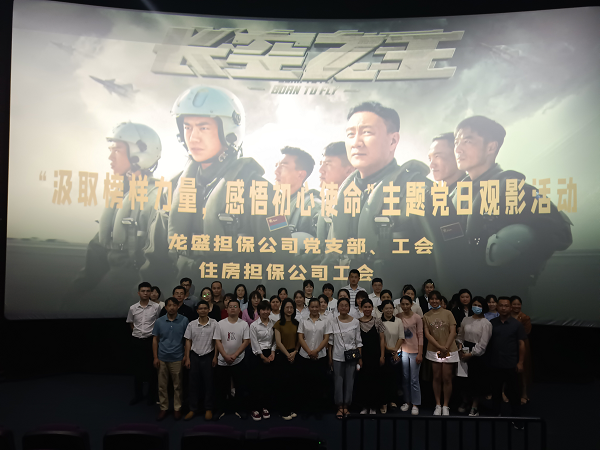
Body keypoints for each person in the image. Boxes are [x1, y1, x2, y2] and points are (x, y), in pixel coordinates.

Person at [159, 85, 291, 283]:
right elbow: (155, 259)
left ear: (229, 132)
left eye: (203, 128)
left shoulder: (260, 191)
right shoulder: (172, 188)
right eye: (187, 127)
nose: (193, 138)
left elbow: (281, 261)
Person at [325, 102, 460, 292]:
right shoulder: (343, 196)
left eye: (367, 132)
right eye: (350, 134)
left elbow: (453, 264)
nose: (356, 142)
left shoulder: (422, 191)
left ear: (393, 141)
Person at [452, 115, 572, 296]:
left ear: (491, 147)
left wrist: (519, 253)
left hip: (503, 296)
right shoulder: (456, 194)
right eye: (456, 142)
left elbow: (562, 231)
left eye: (467, 141)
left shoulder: (513, 189)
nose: (458, 149)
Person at [64, 123, 164, 315]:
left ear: (140, 154)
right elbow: (96, 258)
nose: (110, 157)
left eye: (117, 150)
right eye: (111, 150)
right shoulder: (119, 198)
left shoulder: (156, 198)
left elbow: (158, 266)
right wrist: (71, 299)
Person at [487, 297, 527, 420]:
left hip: (511, 364)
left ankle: (516, 418)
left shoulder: (517, 324)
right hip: (495, 363)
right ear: (497, 307)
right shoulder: (491, 323)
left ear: (510, 308)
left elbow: (521, 344)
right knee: (495, 391)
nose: (503, 308)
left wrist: (520, 362)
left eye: (506, 306)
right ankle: (495, 414)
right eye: (501, 305)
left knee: (514, 393)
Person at [274, 146, 321, 245]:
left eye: (283, 166)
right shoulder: (274, 205)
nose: (276, 171)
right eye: (276, 165)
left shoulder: (313, 207)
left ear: (301, 174)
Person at [152, 297, 189, 421]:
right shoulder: (159, 321)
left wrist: (186, 356)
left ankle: (177, 408)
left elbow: (187, 340)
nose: (172, 307)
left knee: (177, 385)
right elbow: (155, 339)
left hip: (177, 357)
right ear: (166, 307)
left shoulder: (184, 320)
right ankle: (164, 408)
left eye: (174, 305)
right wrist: (155, 357)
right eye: (169, 305)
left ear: (178, 306)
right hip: (162, 357)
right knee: (162, 385)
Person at [214, 298, 250, 420]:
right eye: (231, 307)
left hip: (238, 360)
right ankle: (221, 409)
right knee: (221, 387)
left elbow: (246, 341)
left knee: (240, 386)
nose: (233, 308)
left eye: (235, 307)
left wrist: (235, 355)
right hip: (222, 360)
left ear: (239, 310)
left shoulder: (243, 324)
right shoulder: (220, 323)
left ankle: (239, 409)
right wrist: (224, 355)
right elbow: (217, 341)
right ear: (226, 309)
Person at [423, 290, 458, 416]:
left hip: (449, 349)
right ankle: (438, 404)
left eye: (436, 299)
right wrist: (440, 347)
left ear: (440, 300)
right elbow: (427, 334)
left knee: (447, 377)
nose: (434, 301)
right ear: (429, 301)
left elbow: (453, 331)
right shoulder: (426, 316)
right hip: (434, 350)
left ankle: (446, 405)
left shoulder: (448, 313)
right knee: (436, 377)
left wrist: (446, 347)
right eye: (431, 299)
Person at [456, 296, 492, 417]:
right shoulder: (466, 319)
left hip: (477, 355)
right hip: (464, 350)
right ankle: (465, 401)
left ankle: (474, 406)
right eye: (475, 305)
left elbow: (483, 344)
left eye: (480, 305)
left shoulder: (486, 323)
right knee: (464, 380)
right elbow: (460, 336)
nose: (477, 307)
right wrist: (460, 348)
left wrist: (471, 354)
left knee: (476, 381)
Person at [327, 298, 363, 419]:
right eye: (341, 305)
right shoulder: (333, 321)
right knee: (338, 381)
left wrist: (360, 358)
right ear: (337, 307)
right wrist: (330, 358)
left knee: (350, 381)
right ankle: (339, 406)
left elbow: (358, 341)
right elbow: (330, 342)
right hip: (337, 356)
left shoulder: (355, 322)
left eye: (346, 305)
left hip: (352, 357)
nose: (343, 307)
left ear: (349, 307)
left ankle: (346, 406)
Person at [316, 142, 355, 251]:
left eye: (327, 164)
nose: (320, 170)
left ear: (349, 171)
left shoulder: (356, 206)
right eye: (321, 164)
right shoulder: (328, 203)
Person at [126, 282, 161, 405]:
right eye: (143, 291)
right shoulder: (133, 308)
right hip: (136, 341)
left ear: (150, 293)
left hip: (151, 341)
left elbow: (159, 322)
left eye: (147, 291)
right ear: (138, 293)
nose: (145, 293)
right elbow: (131, 323)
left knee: (152, 370)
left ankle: (151, 396)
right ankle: (138, 395)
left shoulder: (156, 307)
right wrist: (138, 333)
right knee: (137, 369)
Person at [183, 300, 218, 421]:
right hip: (194, 356)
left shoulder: (214, 323)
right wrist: (187, 357)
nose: (203, 310)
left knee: (209, 383)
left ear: (209, 310)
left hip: (208, 356)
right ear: (197, 310)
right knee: (193, 384)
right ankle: (193, 409)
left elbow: (217, 341)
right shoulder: (191, 324)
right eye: (200, 308)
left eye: (205, 308)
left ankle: (208, 408)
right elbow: (188, 341)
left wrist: (215, 356)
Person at [298, 298, 330, 418]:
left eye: (317, 306)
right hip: (305, 357)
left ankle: (318, 410)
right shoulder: (303, 320)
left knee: (319, 384)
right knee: (306, 384)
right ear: (309, 308)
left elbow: (326, 338)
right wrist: (309, 351)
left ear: (320, 307)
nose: (315, 309)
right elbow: (300, 338)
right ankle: (306, 410)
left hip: (320, 357)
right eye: (312, 307)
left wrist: (316, 351)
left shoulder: (325, 321)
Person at [249, 301, 276, 421]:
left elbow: (275, 340)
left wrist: (273, 352)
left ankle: (265, 406)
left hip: (270, 354)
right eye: (263, 309)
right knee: (256, 382)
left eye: (267, 309)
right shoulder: (254, 325)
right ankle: (255, 408)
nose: (265, 312)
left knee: (268, 382)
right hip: (257, 355)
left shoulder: (274, 324)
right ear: (259, 311)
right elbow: (254, 342)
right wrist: (262, 356)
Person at [274, 299, 300, 420]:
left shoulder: (297, 323)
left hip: (294, 355)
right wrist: (288, 354)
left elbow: (299, 340)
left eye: (291, 308)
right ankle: (283, 411)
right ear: (282, 309)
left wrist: (295, 352)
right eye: (287, 307)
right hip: (282, 356)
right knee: (282, 384)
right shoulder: (278, 323)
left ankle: (292, 408)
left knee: (293, 383)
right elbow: (278, 342)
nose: (289, 310)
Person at [398, 295, 423, 415]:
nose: (405, 306)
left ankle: (415, 404)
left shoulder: (417, 317)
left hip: (415, 351)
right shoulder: (398, 317)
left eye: (407, 304)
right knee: (405, 377)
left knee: (414, 379)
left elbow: (420, 335)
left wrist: (420, 353)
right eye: (403, 304)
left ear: (411, 304)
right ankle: (407, 402)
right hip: (403, 351)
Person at [380, 300, 405, 414]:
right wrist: (389, 349)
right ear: (382, 309)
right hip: (383, 353)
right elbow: (380, 339)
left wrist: (395, 351)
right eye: (386, 308)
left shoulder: (398, 321)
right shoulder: (379, 321)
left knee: (395, 378)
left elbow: (401, 337)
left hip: (396, 354)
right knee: (383, 379)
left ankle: (392, 401)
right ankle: (383, 402)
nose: (389, 310)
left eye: (391, 308)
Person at [510, 296, 532, 405]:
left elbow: (526, 332)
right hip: (508, 345)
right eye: (514, 304)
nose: (516, 306)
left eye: (518, 304)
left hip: (521, 345)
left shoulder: (525, 318)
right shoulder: (506, 316)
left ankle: (524, 394)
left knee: (523, 369)